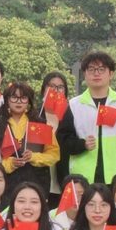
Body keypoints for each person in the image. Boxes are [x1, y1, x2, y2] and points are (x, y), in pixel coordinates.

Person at [57, 50, 116, 185]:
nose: (96, 73)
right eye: (91, 69)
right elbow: (63, 140)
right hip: (82, 178)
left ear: (111, 74)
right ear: (85, 74)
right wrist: (82, 144)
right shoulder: (74, 105)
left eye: (101, 69)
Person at [0, 82, 59, 200]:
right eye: (14, 97)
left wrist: (33, 157)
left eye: (23, 98)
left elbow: (54, 155)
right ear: (7, 100)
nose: (19, 101)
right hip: (7, 185)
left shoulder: (40, 124)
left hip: (36, 182)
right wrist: (10, 163)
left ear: (29, 101)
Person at [40, 71, 71, 208]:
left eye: (60, 87)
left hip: (63, 176)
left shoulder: (70, 114)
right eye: (51, 86)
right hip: (42, 177)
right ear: (44, 89)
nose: (56, 90)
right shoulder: (36, 114)